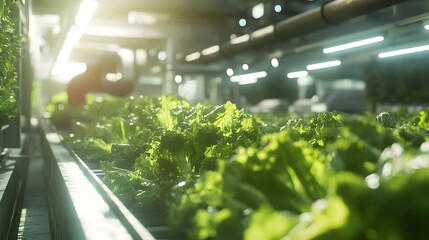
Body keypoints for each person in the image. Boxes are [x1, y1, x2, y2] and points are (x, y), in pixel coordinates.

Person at [67, 61, 134, 106]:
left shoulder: (81, 79)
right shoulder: (84, 81)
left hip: (77, 106)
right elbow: (106, 89)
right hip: (77, 106)